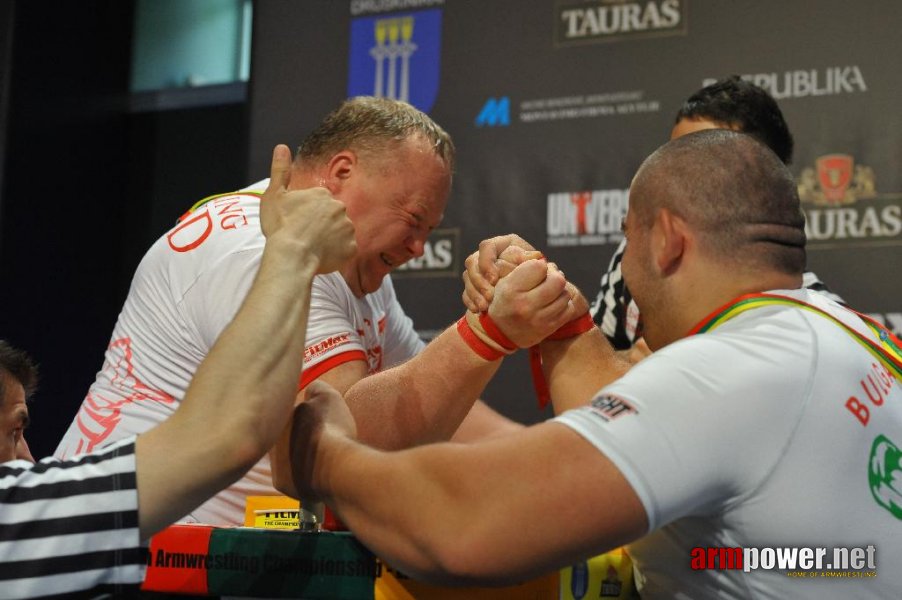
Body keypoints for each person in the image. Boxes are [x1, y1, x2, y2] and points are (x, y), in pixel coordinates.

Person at [279, 131, 902, 597]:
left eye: (625, 238)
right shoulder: (844, 333)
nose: (623, 265)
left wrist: (326, 451)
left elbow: (465, 524)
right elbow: (829, 557)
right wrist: (559, 313)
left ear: (666, 240)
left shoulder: (731, 371)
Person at [55, 96, 524, 526]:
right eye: (412, 220)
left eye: (429, 230)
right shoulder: (258, 251)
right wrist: (488, 331)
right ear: (341, 173)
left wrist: (576, 447)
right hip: (118, 554)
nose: (419, 247)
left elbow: (433, 406)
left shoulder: (354, 268)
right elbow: (346, 438)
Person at [0, 145, 356, 597]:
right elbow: (229, 433)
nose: (31, 460)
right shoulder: (14, 519)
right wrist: (292, 251)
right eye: (13, 432)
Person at [586, 75, 843, 354]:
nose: (673, 176)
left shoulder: (820, 325)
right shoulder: (640, 250)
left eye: (703, 160)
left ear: (767, 175)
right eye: (672, 157)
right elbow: (594, 358)